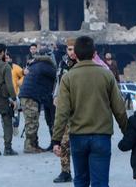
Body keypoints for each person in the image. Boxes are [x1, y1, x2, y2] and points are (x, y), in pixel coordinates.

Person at [51, 36, 128, 187]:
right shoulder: (107, 75)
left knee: (80, 180)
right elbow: (119, 109)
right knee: (100, 182)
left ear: (76, 55)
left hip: (78, 136)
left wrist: (56, 139)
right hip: (101, 136)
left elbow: (62, 111)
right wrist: (128, 133)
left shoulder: (68, 77)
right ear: (94, 54)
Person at [18, 46, 57, 153]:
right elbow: (57, 76)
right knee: (32, 122)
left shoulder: (35, 64)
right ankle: (30, 146)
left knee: (32, 121)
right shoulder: (46, 65)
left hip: (29, 95)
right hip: (31, 96)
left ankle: (34, 145)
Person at [53, 38, 77, 184]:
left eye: (74, 49)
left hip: (81, 108)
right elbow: (58, 81)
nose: (72, 52)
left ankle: (86, 171)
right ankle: (65, 171)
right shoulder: (63, 63)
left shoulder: (84, 63)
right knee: (64, 141)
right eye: (69, 49)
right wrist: (55, 95)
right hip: (66, 107)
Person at [8, 53, 25, 136]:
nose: (6, 59)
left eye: (8, 58)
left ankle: (15, 127)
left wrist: (19, 82)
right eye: (5, 58)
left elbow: (24, 75)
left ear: (11, 59)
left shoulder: (15, 67)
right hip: (4, 94)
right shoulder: (1, 67)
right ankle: (7, 129)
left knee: (16, 112)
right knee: (6, 112)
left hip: (15, 94)